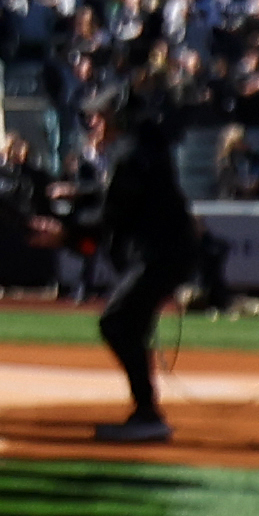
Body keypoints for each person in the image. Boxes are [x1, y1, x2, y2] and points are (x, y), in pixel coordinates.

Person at [84, 86, 197, 442]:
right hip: (164, 253)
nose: (94, 123)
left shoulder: (132, 153)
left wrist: (66, 231)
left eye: (101, 115)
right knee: (129, 327)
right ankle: (146, 412)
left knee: (117, 322)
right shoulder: (142, 147)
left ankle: (147, 413)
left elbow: (112, 212)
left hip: (156, 255)